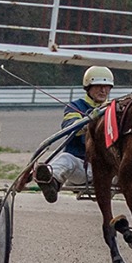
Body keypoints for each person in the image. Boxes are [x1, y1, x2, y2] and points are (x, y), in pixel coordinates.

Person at [32, 66, 115, 202]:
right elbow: (68, 126)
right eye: (98, 86)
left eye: (107, 86)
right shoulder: (75, 106)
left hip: (109, 170)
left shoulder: (113, 108)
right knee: (66, 159)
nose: (103, 90)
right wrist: (87, 123)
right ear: (88, 87)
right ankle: (51, 182)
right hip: (82, 167)